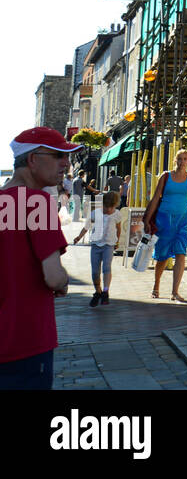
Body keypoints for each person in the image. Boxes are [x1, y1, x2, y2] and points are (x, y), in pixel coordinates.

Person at [1, 127, 77, 389]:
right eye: (58, 156)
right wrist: (64, 282)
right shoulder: (38, 202)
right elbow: (54, 277)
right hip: (26, 341)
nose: (66, 163)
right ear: (33, 160)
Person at [144, 150, 187, 301]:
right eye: (179, 159)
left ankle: (175, 292)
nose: (182, 162)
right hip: (164, 220)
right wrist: (147, 220)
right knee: (162, 257)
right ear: (174, 160)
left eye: (185, 159)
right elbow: (156, 198)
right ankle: (156, 286)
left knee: (181, 253)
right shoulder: (165, 176)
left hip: (183, 221)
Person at [74, 191, 121, 307]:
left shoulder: (117, 214)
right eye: (106, 207)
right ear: (103, 204)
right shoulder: (96, 213)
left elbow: (118, 228)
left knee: (106, 268)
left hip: (108, 245)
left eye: (112, 207)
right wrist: (79, 237)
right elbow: (86, 227)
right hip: (96, 245)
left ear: (115, 206)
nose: (109, 210)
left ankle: (105, 291)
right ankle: (98, 291)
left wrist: (117, 241)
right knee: (95, 271)